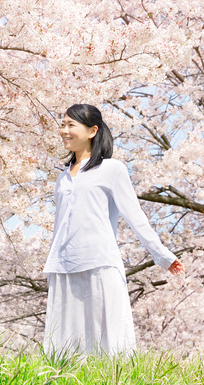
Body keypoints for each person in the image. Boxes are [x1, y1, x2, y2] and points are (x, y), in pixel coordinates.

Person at [43, 103, 184, 359]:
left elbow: (135, 215)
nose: (63, 131)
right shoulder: (63, 178)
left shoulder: (112, 169)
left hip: (99, 261)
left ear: (92, 130)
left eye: (70, 125)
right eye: (62, 125)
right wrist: (52, 264)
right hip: (64, 265)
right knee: (64, 342)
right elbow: (60, 225)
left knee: (108, 338)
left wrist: (162, 255)